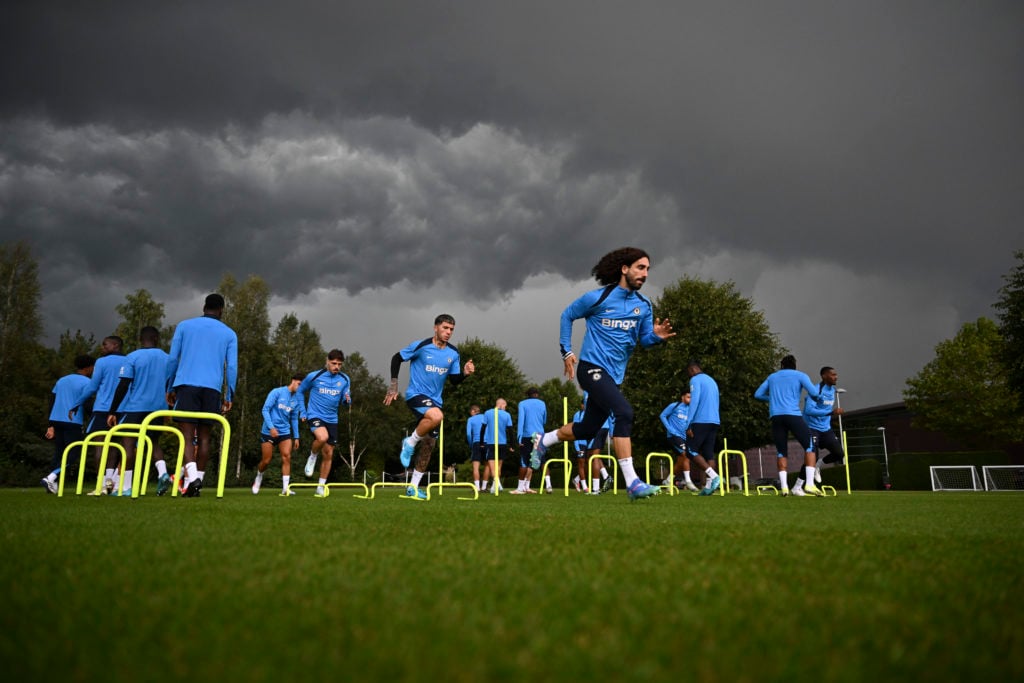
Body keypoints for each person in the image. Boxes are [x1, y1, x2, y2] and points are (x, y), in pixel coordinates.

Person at [530, 247, 674, 501]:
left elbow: (645, 340)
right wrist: (567, 352)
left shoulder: (644, 305)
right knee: (624, 412)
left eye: (648, 269)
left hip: (613, 377)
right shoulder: (598, 298)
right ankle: (632, 482)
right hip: (590, 369)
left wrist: (657, 337)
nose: (645, 274)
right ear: (624, 269)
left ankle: (545, 440)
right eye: (640, 267)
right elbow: (567, 315)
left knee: (587, 429)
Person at [383, 313, 475, 500]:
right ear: (435, 327)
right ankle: (409, 442)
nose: (448, 332)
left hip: (435, 402)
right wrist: (394, 385)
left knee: (429, 445)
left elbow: (455, 380)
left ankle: (413, 487)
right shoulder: (421, 346)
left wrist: (465, 373)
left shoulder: (453, 353)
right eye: (445, 328)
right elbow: (396, 358)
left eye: (451, 329)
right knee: (437, 417)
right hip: (416, 395)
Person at [165, 293, 238, 498]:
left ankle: (192, 479)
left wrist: (169, 387)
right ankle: (198, 482)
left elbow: (172, 360)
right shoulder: (229, 333)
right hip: (212, 388)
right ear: (222, 309)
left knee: (187, 437)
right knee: (205, 438)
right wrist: (229, 394)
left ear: (204, 307)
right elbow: (231, 367)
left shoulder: (184, 326)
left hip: (186, 385)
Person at [105, 326, 172, 496]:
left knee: (127, 443)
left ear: (140, 339)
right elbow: (172, 387)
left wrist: (112, 410)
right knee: (154, 443)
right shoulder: (168, 359)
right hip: (159, 409)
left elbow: (123, 385)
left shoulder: (132, 357)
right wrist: (170, 408)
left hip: (136, 407)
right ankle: (163, 472)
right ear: (157, 338)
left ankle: (126, 487)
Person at [754, 355, 822, 497]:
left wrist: (771, 398)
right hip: (793, 415)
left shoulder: (772, 377)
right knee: (810, 446)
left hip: (776, 417)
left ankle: (784, 487)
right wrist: (817, 399)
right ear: (795, 365)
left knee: (781, 451)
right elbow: (814, 393)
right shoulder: (800, 375)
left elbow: (758, 394)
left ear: (781, 365)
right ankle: (809, 484)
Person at [69, 335, 126, 495]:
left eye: (104, 344)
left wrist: (77, 403)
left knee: (99, 446)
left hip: (103, 409)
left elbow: (92, 387)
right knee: (114, 445)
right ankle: (109, 481)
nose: (102, 347)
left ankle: (101, 484)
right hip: (122, 410)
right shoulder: (129, 360)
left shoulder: (101, 362)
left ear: (115, 345)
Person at [40, 354, 95, 493]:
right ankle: (51, 477)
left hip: (56, 419)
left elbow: (52, 401)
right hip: (73, 421)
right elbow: (88, 404)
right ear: (88, 367)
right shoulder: (87, 382)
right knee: (73, 453)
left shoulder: (62, 380)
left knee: (59, 452)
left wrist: (50, 423)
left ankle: (52, 485)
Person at [299, 349, 351, 492]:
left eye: (340, 364)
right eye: (334, 363)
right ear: (327, 361)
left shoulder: (345, 379)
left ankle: (320, 487)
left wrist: (347, 401)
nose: (336, 367)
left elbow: (345, 401)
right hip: (315, 415)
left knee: (328, 453)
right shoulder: (314, 376)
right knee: (322, 437)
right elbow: (299, 391)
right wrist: (302, 411)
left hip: (332, 419)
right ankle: (313, 455)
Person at [792, 366, 845, 495]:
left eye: (836, 374)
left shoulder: (832, 390)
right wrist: (831, 412)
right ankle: (797, 487)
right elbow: (808, 411)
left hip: (826, 429)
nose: (836, 377)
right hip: (811, 428)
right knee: (811, 456)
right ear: (824, 376)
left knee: (839, 454)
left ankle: (818, 466)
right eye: (832, 374)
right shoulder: (815, 390)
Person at [253, 373, 305, 496]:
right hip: (268, 432)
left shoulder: (297, 399)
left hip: (285, 432)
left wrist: (296, 436)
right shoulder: (277, 392)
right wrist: (271, 427)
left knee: (287, 457)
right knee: (266, 460)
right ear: (293, 381)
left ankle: (285, 488)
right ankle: (259, 476)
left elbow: (294, 419)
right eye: (299, 384)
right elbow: (265, 409)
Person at [685, 361, 723, 496]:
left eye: (688, 373)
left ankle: (714, 477)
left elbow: (694, 400)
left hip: (701, 420)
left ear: (692, 370)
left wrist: (688, 422)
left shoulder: (695, 380)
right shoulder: (711, 380)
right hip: (714, 420)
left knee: (690, 451)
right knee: (708, 454)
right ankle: (708, 487)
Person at [659, 391, 699, 492]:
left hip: (684, 437)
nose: (690, 399)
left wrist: (691, 432)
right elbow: (662, 416)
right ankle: (688, 481)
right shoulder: (674, 406)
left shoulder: (690, 410)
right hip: (674, 436)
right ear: (682, 397)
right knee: (686, 455)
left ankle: (668, 480)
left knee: (682, 460)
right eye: (688, 397)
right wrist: (670, 429)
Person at [482, 397, 518, 492]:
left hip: (491, 443)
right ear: (501, 405)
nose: (505, 408)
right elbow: (511, 431)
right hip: (502, 443)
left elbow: (483, 428)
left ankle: (496, 484)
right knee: (498, 466)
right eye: (505, 406)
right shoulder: (507, 415)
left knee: (492, 466)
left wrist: (481, 442)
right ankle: (497, 485)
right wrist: (512, 445)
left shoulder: (487, 413)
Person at [517, 387, 549, 492]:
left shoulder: (522, 404)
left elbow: (521, 421)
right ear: (537, 394)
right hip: (540, 434)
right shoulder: (542, 403)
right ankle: (548, 485)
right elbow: (544, 420)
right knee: (541, 460)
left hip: (526, 435)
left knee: (525, 461)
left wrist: (519, 437)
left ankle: (521, 487)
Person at [466, 404, 488, 491]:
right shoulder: (486, 417)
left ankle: (477, 487)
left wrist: (471, 444)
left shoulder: (470, 419)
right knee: (487, 465)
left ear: (472, 411)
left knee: (475, 467)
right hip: (487, 442)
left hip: (476, 443)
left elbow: (468, 434)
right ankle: (484, 487)